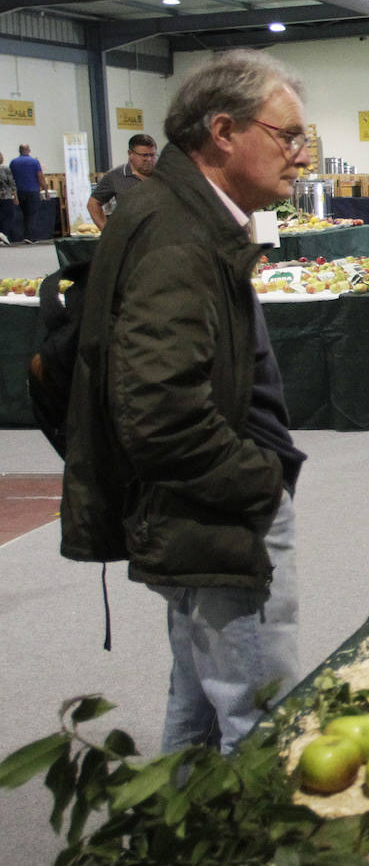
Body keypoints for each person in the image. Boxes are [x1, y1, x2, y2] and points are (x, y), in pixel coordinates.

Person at [61, 49, 310, 755]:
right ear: (224, 131)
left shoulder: (184, 214)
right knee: (260, 717)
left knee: (201, 698)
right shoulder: (178, 235)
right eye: (287, 136)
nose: (299, 156)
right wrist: (259, 483)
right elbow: (160, 414)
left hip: (198, 510)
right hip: (217, 511)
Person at [86, 134, 158, 230]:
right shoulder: (115, 176)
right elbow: (93, 204)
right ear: (130, 154)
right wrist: (107, 232)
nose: (149, 159)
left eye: (152, 155)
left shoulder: (166, 174)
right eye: (144, 155)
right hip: (132, 239)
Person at [10, 144, 44, 242]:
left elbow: (11, 178)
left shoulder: (13, 162)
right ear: (29, 150)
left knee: (21, 214)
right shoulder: (34, 162)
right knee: (32, 215)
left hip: (19, 191)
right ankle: (30, 237)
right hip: (32, 191)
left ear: (19, 151)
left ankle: (19, 236)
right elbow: (40, 176)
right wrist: (45, 189)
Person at [0, 152, 15, 244]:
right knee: (8, 216)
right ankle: (4, 234)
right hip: (6, 196)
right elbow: (11, 182)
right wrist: (15, 195)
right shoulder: (5, 168)